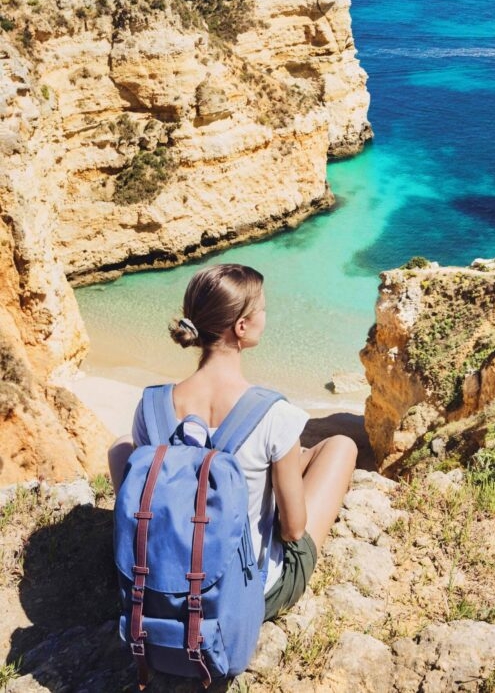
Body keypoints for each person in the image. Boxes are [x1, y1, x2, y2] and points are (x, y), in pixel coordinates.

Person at [107, 262, 358, 620]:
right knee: (341, 447)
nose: (266, 316)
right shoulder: (273, 414)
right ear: (242, 327)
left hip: (161, 588)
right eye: (263, 310)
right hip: (241, 598)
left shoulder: (150, 408)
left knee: (121, 446)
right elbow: (293, 529)